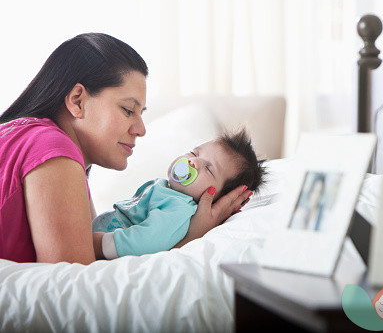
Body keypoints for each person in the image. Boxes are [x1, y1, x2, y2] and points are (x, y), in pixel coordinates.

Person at [0, 33, 252, 264]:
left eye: (141, 113)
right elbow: (74, 294)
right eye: (128, 110)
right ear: (78, 100)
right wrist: (188, 241)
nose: (141, 129)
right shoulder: (52, 149)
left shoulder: (33, 139)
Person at [92, 130, 267, 259]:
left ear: (216, 199)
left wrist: (97, 244)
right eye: (194, 153)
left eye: (208, 168)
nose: (193, 161)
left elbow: (147, 240)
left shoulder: (179, 208)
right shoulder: (167, 191)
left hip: (100, 247)